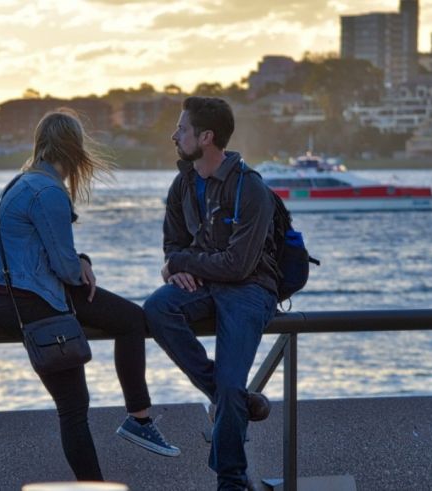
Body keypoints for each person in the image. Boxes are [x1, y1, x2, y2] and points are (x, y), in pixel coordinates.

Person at [0, 109, 179, 481]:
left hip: (2, 298)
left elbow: (44, 253)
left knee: (73, 404)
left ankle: (129, 432)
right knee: (129, 324)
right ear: (74, 150)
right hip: (32, 300)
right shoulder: (48, 191)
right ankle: (137, 419)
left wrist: (78, 259)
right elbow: (67, 269)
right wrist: (81, 263)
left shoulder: (17, 184)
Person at [143, 96, 279, 490]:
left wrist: (182, 264)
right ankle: (228, 397)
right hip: (205, 286)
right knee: (157, 307)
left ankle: (231, 481)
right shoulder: (183, 183)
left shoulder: (250, 187)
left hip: (250, 289)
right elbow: (173, 245)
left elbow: (238, 264)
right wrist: (176, 265)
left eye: (182, 129)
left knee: (234, 384)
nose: (174, 136)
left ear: (206, 137)